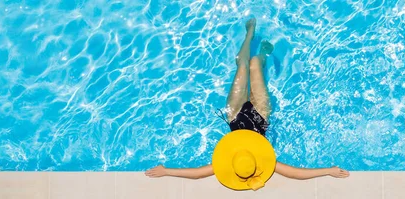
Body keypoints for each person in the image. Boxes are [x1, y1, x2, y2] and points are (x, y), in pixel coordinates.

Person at [145, 18, 349, 191]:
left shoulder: (233, 161)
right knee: (254, 65)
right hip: (261, 115)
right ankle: (263, 55)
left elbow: (198, 174)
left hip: (234, 116)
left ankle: (249, 34)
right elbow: (295, 174)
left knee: (242, 65)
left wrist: (166, 171)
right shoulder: (261, 161)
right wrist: (328, 171)